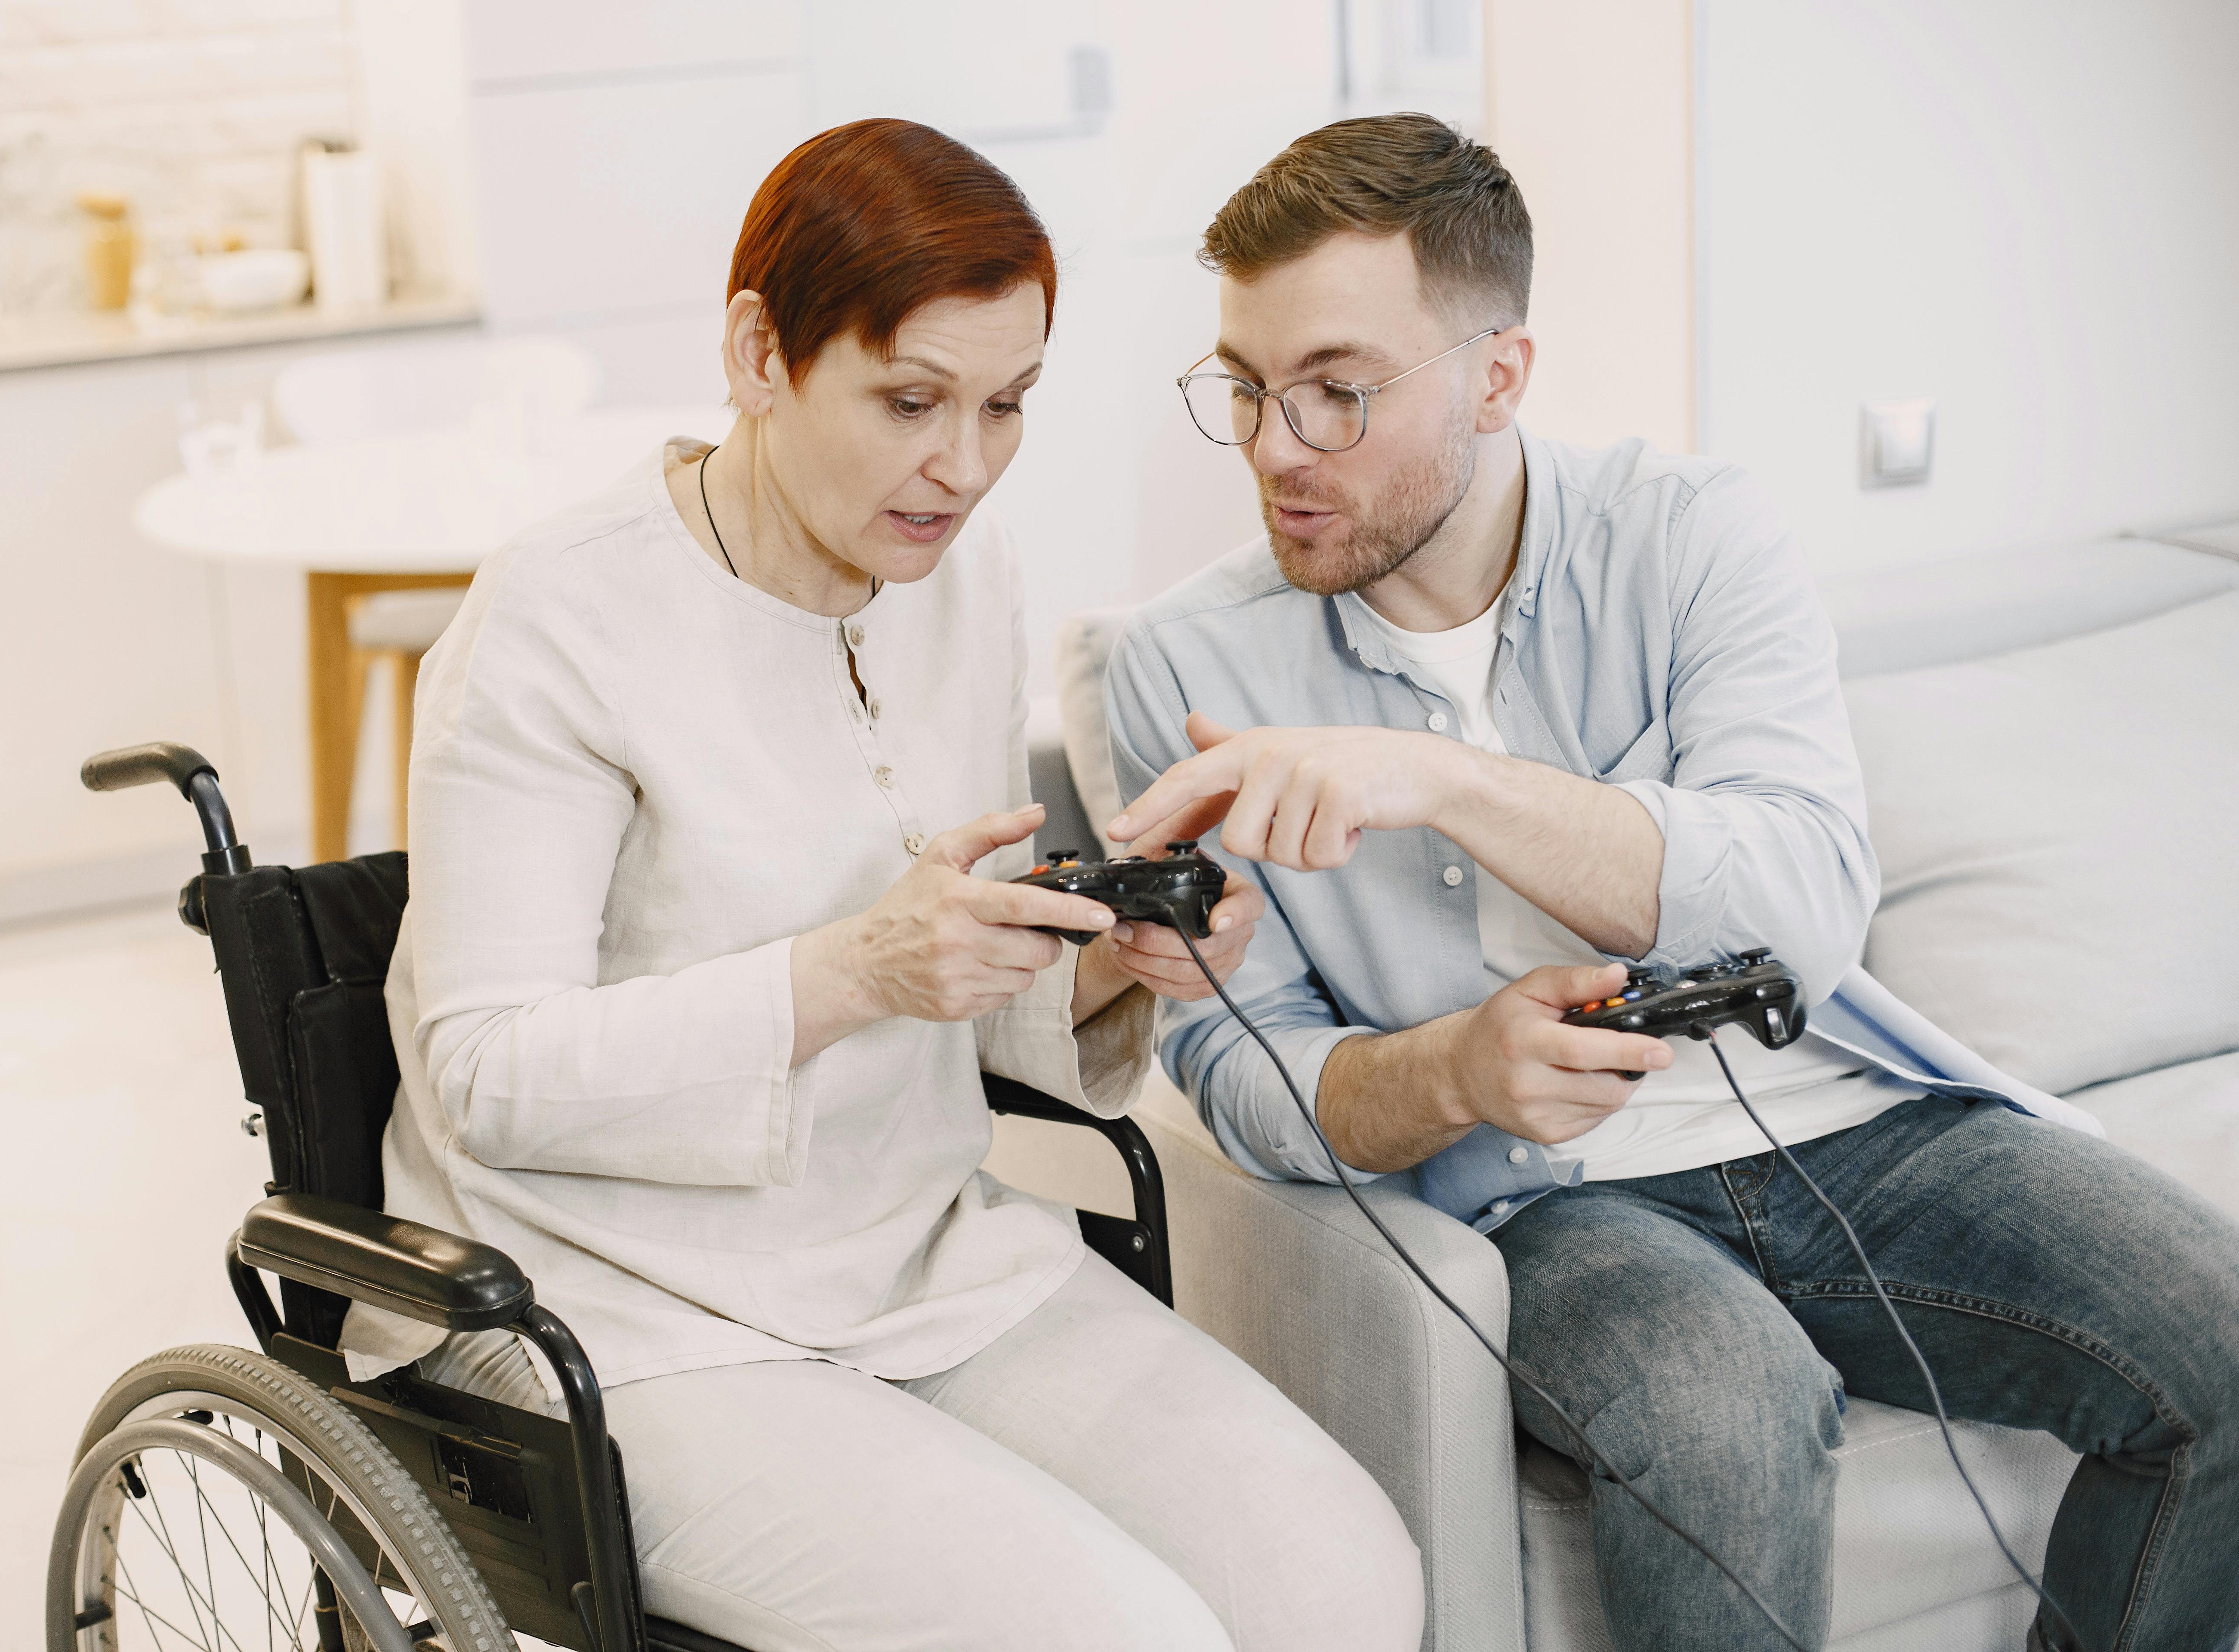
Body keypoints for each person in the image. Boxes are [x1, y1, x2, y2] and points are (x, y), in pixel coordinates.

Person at [1104, 112, 2239, 1652]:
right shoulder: (1178, 666)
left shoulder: (1691, 536)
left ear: (1498, 376)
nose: (1273, 448)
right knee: (1724, 1411)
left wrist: (1438, 780)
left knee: (2221, 1342)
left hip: (1843, 1119)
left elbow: (1806, 906)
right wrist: (1454, 1070)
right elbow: (1236, 1070)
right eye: (1243, 390)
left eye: (1336, 394)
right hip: (1538, 1202)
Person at [339, 118, 1424, 1652]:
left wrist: (1115, 957)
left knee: (1341, 1587)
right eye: (911, 400)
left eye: (1007, 406)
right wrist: (855, 970)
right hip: (616, 1313)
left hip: (913, 1253)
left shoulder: (957, 582)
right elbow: (485, 1075)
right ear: (757, 352)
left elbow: (959, 996)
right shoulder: (557, 623)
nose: (964, 468)